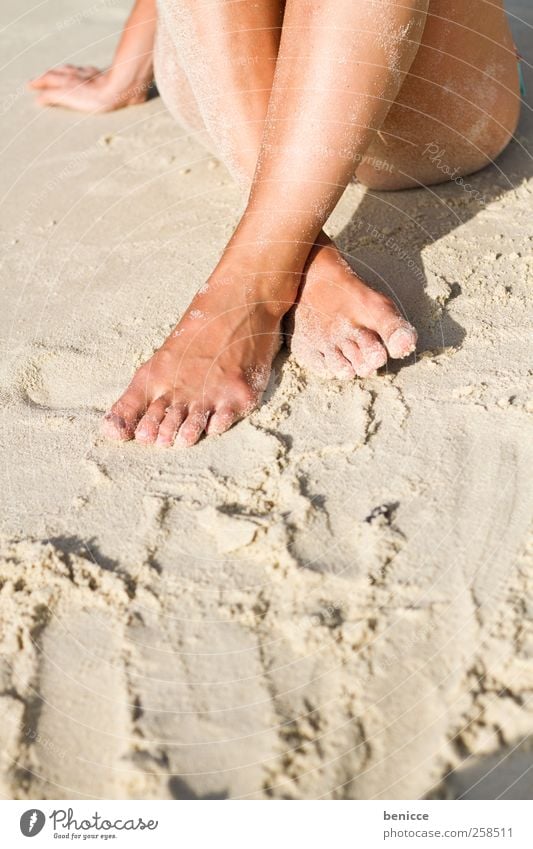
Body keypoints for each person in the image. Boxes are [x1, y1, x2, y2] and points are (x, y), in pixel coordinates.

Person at [29, 0, 521, 448]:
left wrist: (128, 71)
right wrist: (126, 73)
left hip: (404, 111)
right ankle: (274, 266)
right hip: (258, 96)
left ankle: (252, 278)